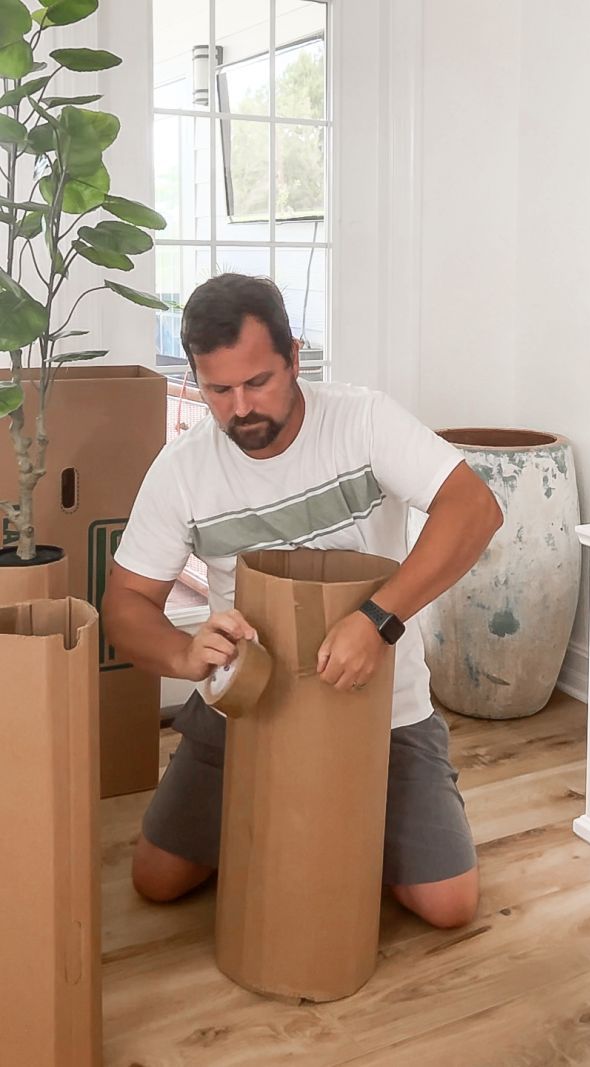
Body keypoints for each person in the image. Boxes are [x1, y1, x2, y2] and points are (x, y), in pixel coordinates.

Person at [103, 273, 503, 930]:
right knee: (158, 879)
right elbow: (125, 607)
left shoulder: (363, 419)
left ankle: (345, 812)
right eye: (217, 390)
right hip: (244, 705)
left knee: (449, 905)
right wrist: (183, 650)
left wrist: (379, 619)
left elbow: (475, 509)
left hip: (382, 705)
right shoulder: (183, 469)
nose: (239, 408)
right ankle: (305, 809)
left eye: (257, 381)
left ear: (293, 355)